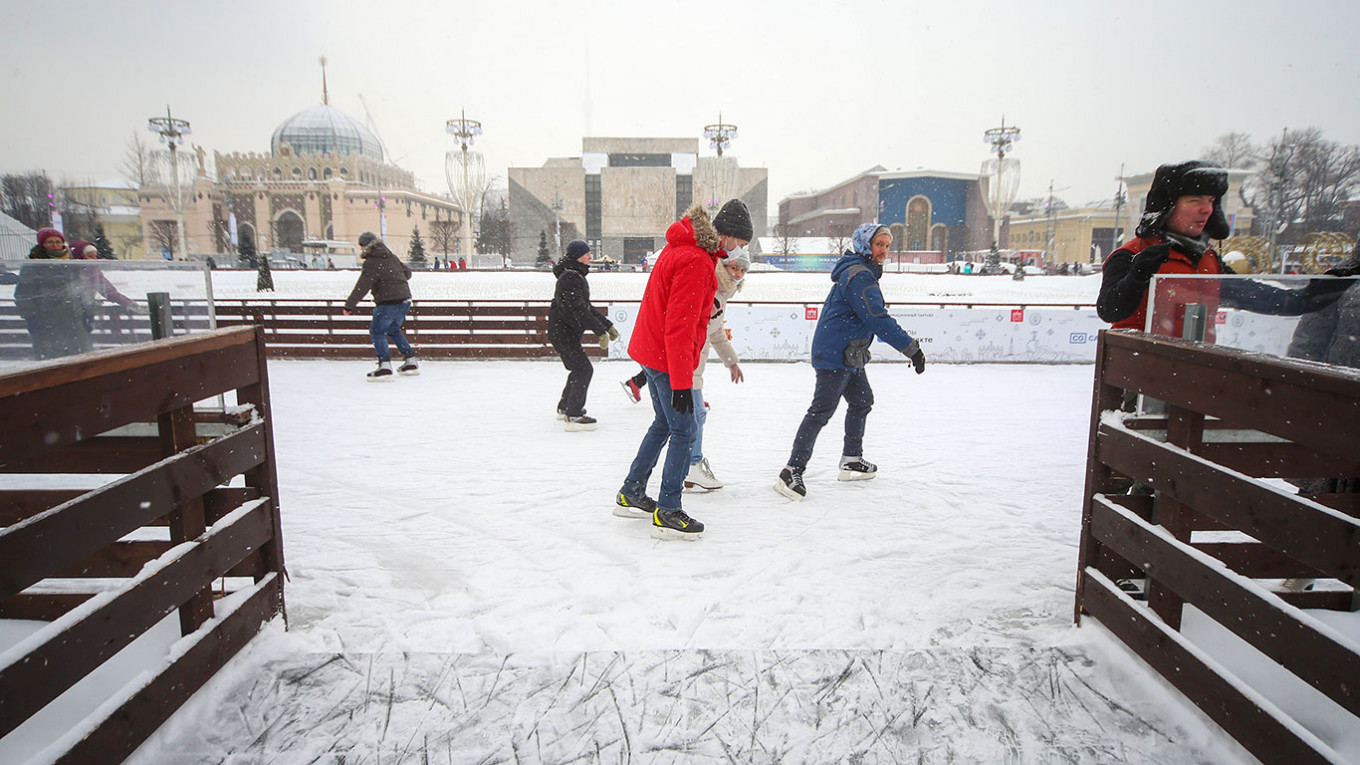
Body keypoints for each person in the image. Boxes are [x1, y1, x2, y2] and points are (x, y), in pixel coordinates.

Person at [615, 198, 753, 540]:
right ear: (728, 236)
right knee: (685, 430)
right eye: (741, 243)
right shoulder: (696, 261)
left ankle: (631, 492)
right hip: (664, 357)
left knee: (664, 423)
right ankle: (669, 510)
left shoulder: (683, 247)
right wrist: (681, 383)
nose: (739, 253)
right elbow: (680, 327)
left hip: (651, 350)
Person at [1097, 160, 1345, 341]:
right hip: (1139, 378)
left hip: (1196, 374)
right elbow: (1109, 310)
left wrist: (1307, 298)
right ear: (1167, 207)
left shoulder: (1209, 259)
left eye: (1211, 202)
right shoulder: (1131, 254)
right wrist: (1136, 277)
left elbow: (1251, 294)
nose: (1206, 210)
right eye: (1196, 201)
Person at [775, 223, 926, 501]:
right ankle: (791, 470)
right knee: (821, 411)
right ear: (865, 245)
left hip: (849, 353)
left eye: (887, 245)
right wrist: (911, 349)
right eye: (878, 244)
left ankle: (851, 459)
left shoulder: (862, 271)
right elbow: (877, 318)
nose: (883, 251)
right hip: (835, 354)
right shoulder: (860, 276)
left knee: (862, 400)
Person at [683, 246, 750, 490]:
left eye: (742, 270)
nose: (738, 274)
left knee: (690, 417)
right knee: (693, 416)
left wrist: (731, 361)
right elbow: (690, 328)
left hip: (692, 364)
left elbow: (716, 331)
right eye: (734, 267)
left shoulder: (722, 294)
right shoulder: (711, 289)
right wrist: (686, 368)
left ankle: (688, 466)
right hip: (687, 364)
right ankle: (691, 465)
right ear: (723, 266)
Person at [548, 239, 617, 431]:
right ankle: (574, 414)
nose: (590, 257)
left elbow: (585, 307)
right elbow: (578, 310)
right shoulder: (570, 277)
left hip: (563, 332)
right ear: (578, 257)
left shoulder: (573, 275)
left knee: (578, 369)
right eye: (587, 254)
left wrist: (607, 326)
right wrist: (599, 330)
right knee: (583, 370)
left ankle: (565, 407)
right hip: (563, 333)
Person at [343, 231, 419, 380]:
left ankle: (384, 366)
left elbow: (362, 286)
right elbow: (408, 273)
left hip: (388, 303)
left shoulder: (372, 262)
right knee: (392, 329)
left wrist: (350, 305)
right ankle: (410, 361)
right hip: (404, 300)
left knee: (377, 331)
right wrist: (394, 279)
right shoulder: (391, 256)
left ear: (365, 246)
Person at [14, 228, 93, 359]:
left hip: (74, 321)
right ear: (42, 244)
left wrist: (88, 312)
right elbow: (23, 294)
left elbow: (82, 289)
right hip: (47, 323)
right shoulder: (33, 265)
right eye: (50, 242)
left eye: (58, 241)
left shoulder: (71, 263)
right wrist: (33, 318)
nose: (55, 245)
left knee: (80, 360)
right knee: (52, 363)